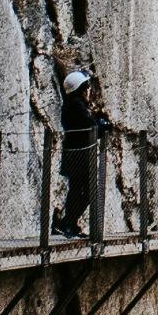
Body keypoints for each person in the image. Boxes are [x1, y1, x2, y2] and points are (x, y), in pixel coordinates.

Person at [56, 67, 104, 237]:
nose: (89, 91)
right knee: (85, 190)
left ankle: (69, 222)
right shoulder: (76, 105)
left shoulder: (71, 104)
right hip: (80, 154)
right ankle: (68, 222)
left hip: (75, 152)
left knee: (77, 189)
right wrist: (101, 125)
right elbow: (90, 127)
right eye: (87, 87)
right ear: (81, 89)